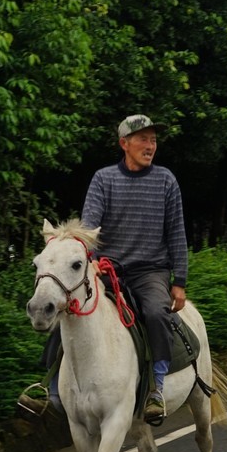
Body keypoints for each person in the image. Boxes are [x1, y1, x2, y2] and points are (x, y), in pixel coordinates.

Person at [80, 113, 188, 424]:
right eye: (143, 139)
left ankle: (156, 386)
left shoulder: (166, 180)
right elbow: (89, 227)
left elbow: (176, 233)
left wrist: (178, 281)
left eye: (153, 139)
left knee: (156, 312)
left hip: (149, 272)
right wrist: (89, 260)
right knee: (71, 305)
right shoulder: (103, 179)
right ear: (124, 144)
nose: (150, 145)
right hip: (107, 270)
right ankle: (49, 385)